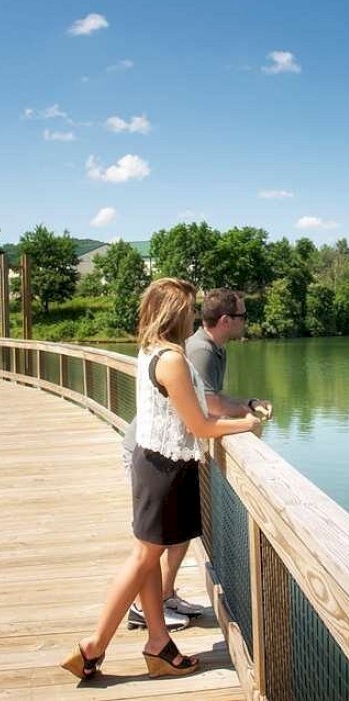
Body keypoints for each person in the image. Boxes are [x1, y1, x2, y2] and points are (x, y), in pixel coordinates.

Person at [61, 278, 261, 681]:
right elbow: (201, 426)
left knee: (147, 559)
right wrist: (247, 423)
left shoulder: (150, 350)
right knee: (141, 560)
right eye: (188, 310)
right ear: (175, 313)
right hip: (164, 472)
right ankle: (93, 646)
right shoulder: (172, 360)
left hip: (152, 462)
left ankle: (158, 644)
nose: (193, 317)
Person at [121, 287, 273, 631]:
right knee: (152, 546)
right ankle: (138, 612)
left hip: (170, 452)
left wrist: (246, 404)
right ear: (226, 320)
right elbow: (208, 411)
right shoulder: (196, 351)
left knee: (172, 538)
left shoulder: (212, 349)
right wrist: (246, 422)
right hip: (156, 451)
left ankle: (164, 596)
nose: (246, 322)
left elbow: (210, 402)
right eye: (243, 316)